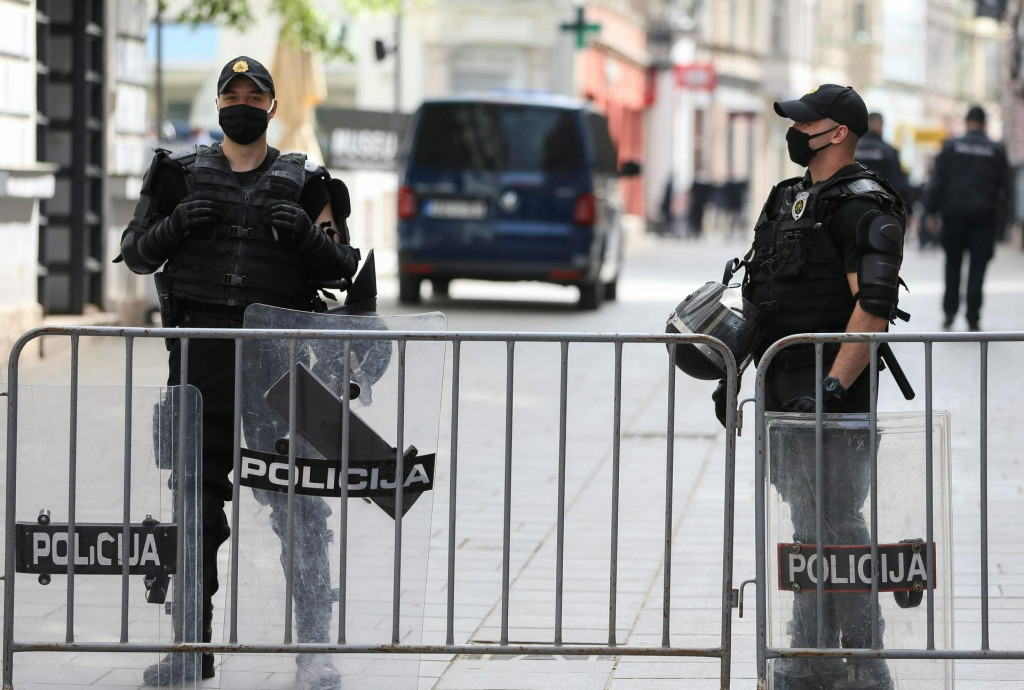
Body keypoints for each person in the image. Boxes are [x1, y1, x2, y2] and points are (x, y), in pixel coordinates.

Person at [118, 56, 359, 688]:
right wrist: (173, 226)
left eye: (257, 95)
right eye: (234, 95)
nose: (245, 104)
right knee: (194, 507)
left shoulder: (307, 184)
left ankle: (314, 652)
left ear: (272, 107)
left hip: (279, 362)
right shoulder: (177, 176)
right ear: (219, 104)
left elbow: (342, 270)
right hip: (200, 364)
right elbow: (136, 254)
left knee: (301, 507)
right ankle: (190, 648)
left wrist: (310, 237)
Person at [721, 84, 907, 689]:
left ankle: (865, 662)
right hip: (784, 384)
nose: (796, 131)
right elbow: (764, 295)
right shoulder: (787, 198)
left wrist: (833, 385)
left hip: (835, 388)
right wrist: (735, 366)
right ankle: (810, 657)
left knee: (840, 525)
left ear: (840, 134)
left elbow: (872, 309)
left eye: (807, 122)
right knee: (806, 523)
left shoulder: (862, 204)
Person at [925, 105, 1010, 331]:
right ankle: (973, 317)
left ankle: (950, 312)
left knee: (952, 265)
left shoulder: (951, 146)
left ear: (966, 121)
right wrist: (1004, 224)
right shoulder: (996, 150)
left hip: (953, 215)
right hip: (984, 217)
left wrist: (931, 211)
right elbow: (1006, 188)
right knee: (978, 268)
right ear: (984, 123)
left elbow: (937, 181)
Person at [855, 112, 911, 206]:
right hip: (882, 205)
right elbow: (898, 183)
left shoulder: (853, 149)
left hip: (854, 203)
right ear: (880, 125)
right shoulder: (888, 151)